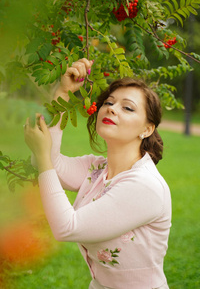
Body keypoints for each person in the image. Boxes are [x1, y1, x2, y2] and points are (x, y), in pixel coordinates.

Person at [24, 58, 171, 289]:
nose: (111, 108)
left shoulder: (144, 185)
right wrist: (63, 92)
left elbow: (66, 227)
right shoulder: (97, 169)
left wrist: (42, 156)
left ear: (147, 129)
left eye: (127, 107)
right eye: (109, 102)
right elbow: (50, 162)